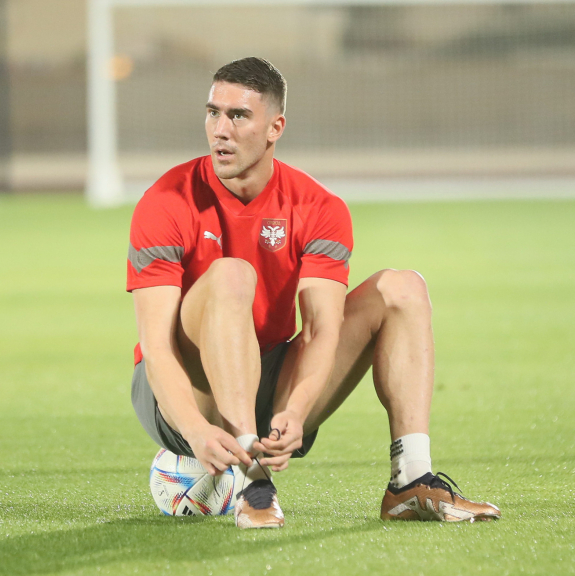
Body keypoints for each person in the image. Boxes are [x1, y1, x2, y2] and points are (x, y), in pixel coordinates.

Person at [127, 57, 500, 529]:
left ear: (275, 127)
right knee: (231, 275)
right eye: (213, 112)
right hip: (180, 390)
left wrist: (296, 410)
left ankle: (410, 480)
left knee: (403, 288)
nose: (220, 129)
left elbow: (322, 329)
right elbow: (157, 347)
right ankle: (253, 481)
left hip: (268, 372)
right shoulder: (165, 202)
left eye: (238, 116)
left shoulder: (319, 207)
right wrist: (196, 429)